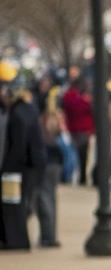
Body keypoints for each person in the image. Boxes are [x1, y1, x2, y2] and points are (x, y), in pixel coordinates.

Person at [1, 83, 47, 251]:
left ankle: (16, 240)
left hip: (22, 166)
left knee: (14, 203)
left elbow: (17, 146)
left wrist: (7, 168)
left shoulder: (17, 115)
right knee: (23, 201)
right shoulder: (29, 109)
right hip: (34, 163)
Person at [33, 87, 63, 247]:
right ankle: (48, 235)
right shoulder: (57, 117)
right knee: (49, 198)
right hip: (55, 162)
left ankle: (48, 236)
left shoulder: (44, 119)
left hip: (48, 162)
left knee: (44, 199)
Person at [61, 76, 93, 185]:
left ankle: (69, 176)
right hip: (84, 130)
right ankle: (82, 178)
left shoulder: (67, 97)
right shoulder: (83, 99)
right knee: (83, 156)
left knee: (71, 155)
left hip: (71, 129)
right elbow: (89, 109)